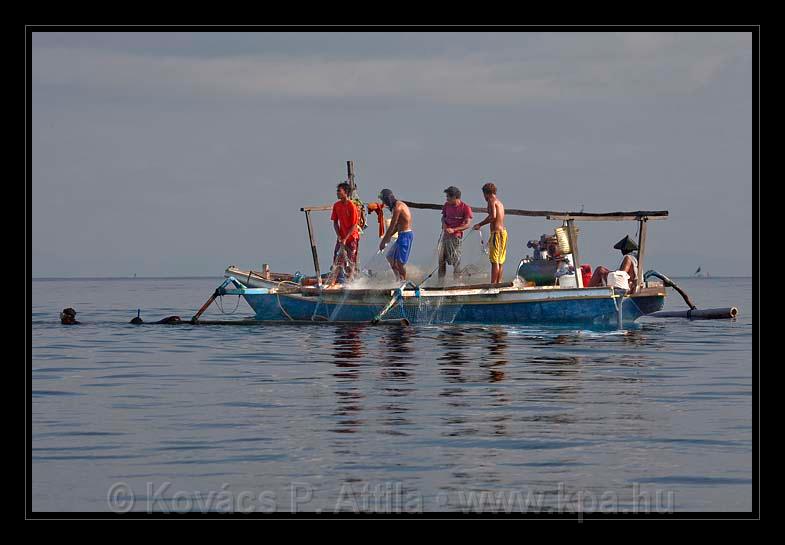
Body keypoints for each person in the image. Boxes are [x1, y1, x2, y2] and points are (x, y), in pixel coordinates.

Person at [472, 182, 507, 284]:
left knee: (494, 260)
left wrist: (480, 224)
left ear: (486, 193)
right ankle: (498, 283)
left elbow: (493, 216)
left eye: (484, 195)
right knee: (500, 260)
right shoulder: (500, 203)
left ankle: (493, 284)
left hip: (496, 233)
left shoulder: (491, 200)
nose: (484, 197)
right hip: (503, 233)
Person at [439, 186, 473, 281]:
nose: (447, 199)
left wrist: (454, 230)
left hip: (456, 238)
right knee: (441, 260)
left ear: (455, 197)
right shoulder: (446, 205)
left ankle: (456, 283)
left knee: (456, 261)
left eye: (448, 197)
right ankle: (440, 283)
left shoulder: (465, 208)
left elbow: (467, 225)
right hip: (445, 237)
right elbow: (443, 218)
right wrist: (445, 226)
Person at [378, 189, 413, 281]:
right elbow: (397, 226)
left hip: (406, 236)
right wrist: (389, 236)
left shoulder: (398, 207)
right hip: (401, 235)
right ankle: (398, 279)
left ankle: (403, 282)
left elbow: (393, 225)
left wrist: (383, 241)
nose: (383, 203)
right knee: (389, 257)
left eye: (384, 200)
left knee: (400, 263)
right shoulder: (394, 208)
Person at [331, 182, 360, 283]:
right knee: (338, 258)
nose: (337, 193)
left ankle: (351, 281)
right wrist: (339, 236)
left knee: (351, 259)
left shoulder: (352, 206)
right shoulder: (336, 205)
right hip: (341, 237)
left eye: (339, 191)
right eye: (337, 191)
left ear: (345, 192)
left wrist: (346, 238)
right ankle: (334, 281)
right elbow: (335, 222)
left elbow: (354, 225)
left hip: (352, 237)